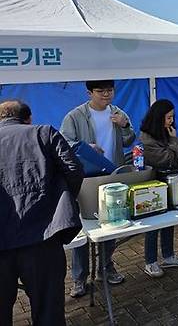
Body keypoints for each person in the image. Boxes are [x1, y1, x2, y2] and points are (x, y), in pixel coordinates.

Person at [0, 100, 84, 325]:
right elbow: (74, 170)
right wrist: (59, 203)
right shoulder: (43, 133)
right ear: (28, 118)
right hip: (43, 236)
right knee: (48, 309)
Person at [61, 79, 135, 298]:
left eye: (110, 90)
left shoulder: (119, 112)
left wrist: (124, 125)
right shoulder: (75, 116)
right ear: (89, 92)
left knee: (111, 223)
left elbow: (130, 139)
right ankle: (79, 278)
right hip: (86, 179)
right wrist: (85, 148)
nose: (106, 95)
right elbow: (63, 142)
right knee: (83, 229)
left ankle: (106, 267)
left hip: (112, 175)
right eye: (101, 91)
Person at [140, 99, 178, 277]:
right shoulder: (147, 137)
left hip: (172, 180)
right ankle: (150, 261)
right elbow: (167, 158)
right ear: (158, 117)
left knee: (170, 219)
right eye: (168, 117)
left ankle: (168, 255)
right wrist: (175, 141)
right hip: (155, 183)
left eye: (172, 117)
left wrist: (174, 145)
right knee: (154, 223)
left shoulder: (166, 132)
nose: (171, 121)